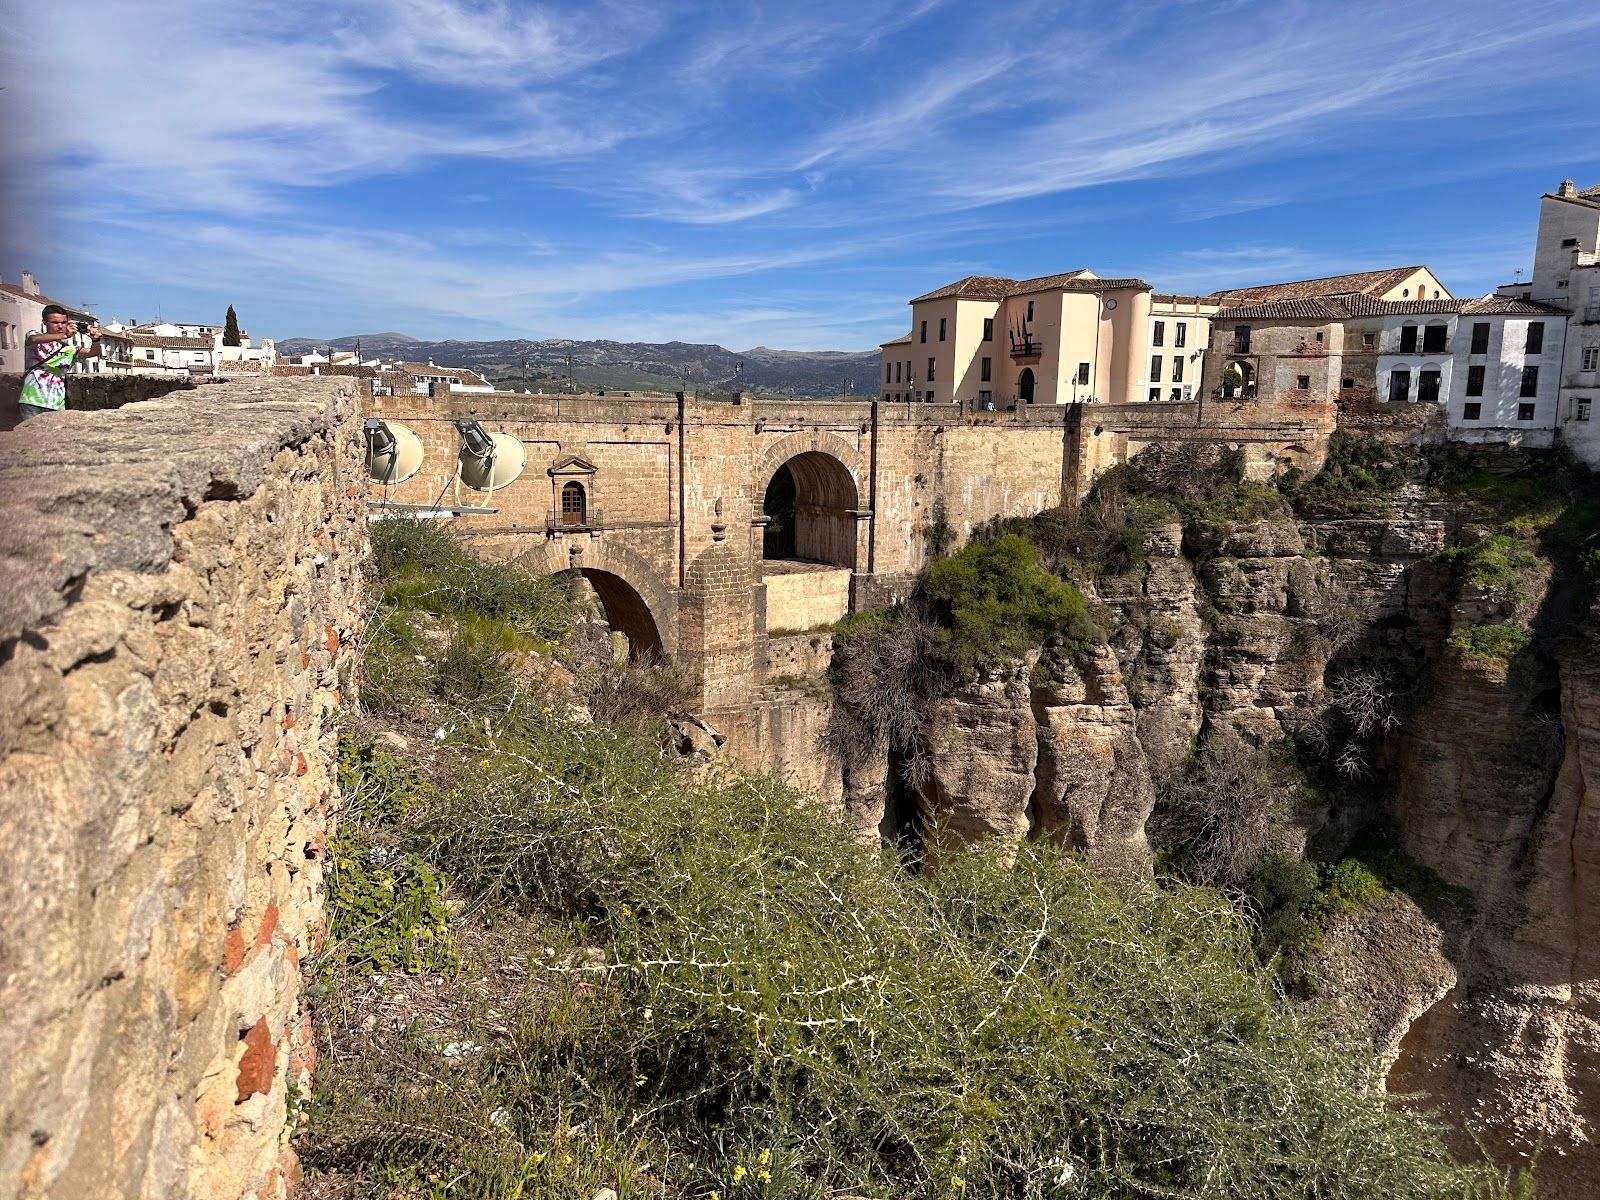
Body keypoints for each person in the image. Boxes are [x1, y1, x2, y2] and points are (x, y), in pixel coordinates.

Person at [19, 305, 101, 421]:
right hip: (32, 401)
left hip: (57, 404)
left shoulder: (68, 349)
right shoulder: (34, 337)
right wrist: (65, 335)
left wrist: (96, 340)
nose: (60, 326)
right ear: (45, 322)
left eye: (63, 322)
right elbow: (32, 339)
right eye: (55, 322)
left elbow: (93, 352)